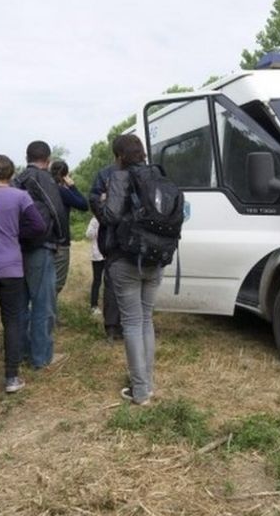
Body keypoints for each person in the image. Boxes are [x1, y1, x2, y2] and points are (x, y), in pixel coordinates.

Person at [0, 155, 46, 398]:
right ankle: (11, 378)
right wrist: (16, 233)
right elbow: (38, 225)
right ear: (12, 174)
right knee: (12, 321)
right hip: (12, 266)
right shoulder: (20, 196)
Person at [101, 135, 161, 405]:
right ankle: (147, 384)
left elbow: (110, 216)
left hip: (126, 259)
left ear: (120, 156)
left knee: (133, 324)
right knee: (146, 320)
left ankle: (139, 391)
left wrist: (102, 202)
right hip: (155, 258)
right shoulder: (158, 176)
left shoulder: (119, 177)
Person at [13, 140, 67, 369]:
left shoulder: (17, 179)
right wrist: (62, 238)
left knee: (22, 303)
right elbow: (56, 209)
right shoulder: (43, 177)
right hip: (41, 246)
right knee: (44, 303)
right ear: (47, 158)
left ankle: (24, 352)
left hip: (17, 247)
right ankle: (42, 356)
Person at [89, 164, 123, 340]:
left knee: (111, 283)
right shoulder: (148, 172)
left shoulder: (105, 173)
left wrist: (105, 215)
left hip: (112, 239)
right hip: (139, 239)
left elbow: (94, 201)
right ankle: (129, 326)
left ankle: (112, 328)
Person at [50, 159, 88, 296]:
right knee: (57, 284)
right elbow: (84, 205)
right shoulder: (61, 191)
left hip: (43, 240)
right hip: (61, 241)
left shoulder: (43, 188)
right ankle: (47, 315)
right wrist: (72, 186)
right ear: (65, 175)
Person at [85, 216, 105, 317]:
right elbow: (88, 234)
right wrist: (98, 229)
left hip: (109, 255)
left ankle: (108, 305)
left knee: (110, 281)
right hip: (97, 255)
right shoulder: (95, 220)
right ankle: (94, 305)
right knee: (97, 280)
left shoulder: (111, 217)